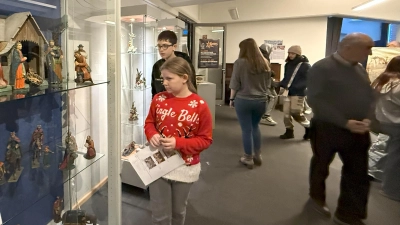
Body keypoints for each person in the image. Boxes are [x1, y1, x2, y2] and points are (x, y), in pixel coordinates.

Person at [307, 33, 375, 225]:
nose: (369, 52)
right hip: (328, 129)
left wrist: (369, 118)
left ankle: (348, 215)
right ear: (348, 48)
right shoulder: (322, 68)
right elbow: (315, 100)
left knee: (358, 173)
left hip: (358, 130)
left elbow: (368, 96)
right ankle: (316, 198)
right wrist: (343, 122)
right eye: (367, 47)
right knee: (321, 165)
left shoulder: (359, 69)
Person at [144, 57, 213, 225]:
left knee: (178, 212)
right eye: (163, 79)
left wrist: (178, 143)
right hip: (158, 162)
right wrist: (151, 134)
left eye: (169, 78)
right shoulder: (158, 99)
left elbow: (205, 140)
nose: (165, 83)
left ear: (184, 78)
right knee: (159, 214)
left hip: (185, 166)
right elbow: (149, 122)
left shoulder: (200, 105)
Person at [229, 38, 271, 169]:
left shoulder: (240, 63)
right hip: (261, 101)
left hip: (244, 100)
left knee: (246, 129)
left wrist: (231, 99)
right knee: (255, 127)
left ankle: (248, 158)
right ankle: (258, 155)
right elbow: (268, 84)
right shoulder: (265, 62)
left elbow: (235, 83)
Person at [371, 56, 400, 201]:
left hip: (382, 122)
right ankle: (390, 189)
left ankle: (378, 174)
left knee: (389, 152)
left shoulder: (381, 80)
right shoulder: (398, 84)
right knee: (396, 157)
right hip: (396, 124)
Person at [151, 30, 197, 98]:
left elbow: (191, 86)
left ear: (174, 46)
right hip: (162, 103)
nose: (161, 49)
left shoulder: (183, 64)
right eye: (159, 46)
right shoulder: (157, 65)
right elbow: (154, 89)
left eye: (165, 46)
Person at [279, 45, 311, 140]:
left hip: (298, 93)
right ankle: (289, 131)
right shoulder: (288, 64)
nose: (290, 55)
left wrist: (299, 87)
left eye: (293, 53)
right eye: (289, 53)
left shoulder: (305, 65)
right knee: (286, 114)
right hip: (288, 92)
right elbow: (286, 78)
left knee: (296, 113)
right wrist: (281, 84)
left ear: (298, 54)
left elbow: (310, 79)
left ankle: (309, 128)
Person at [259, 43, 278, 126]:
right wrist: (272, 73)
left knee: (273, 96)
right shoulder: (264, 56)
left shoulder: (258, 55)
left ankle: (264, 115)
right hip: (264, 81)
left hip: (263, 81)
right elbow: (265, 70)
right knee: (272, 97)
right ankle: (266, 116)